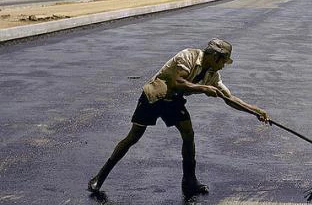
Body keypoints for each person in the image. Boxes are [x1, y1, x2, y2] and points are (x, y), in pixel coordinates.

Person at [87, 38, 269, 196]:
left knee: (188, 135)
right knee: (133, 137)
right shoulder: (188, 56)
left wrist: (256, 111)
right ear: (215, 57)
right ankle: (100, 177)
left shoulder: (213, 75)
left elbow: (229, 99)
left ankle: (189, 183)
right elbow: (178, 82)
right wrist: (203, 88)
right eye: (223, 61)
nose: (223, 66)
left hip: (174, 100)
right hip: (155, 95)